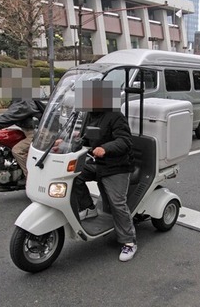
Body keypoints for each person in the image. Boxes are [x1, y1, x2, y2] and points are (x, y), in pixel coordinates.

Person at [69, 80, 137, 262]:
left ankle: (129, 241)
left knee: (117, 203)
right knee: (74, 176)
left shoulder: (115, 116)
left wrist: (105, 148)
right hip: (97, 162)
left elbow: (125, 141)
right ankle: (88, 208)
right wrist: (69, 141)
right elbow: (85, 137)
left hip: (117, 166)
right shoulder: (89, 115)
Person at [0, 99, 44, 180]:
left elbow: (10, 116)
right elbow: (8, 116)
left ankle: (32, 179)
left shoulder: (24, 100)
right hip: (33, 131)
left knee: (18, 150)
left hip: (40, 133)